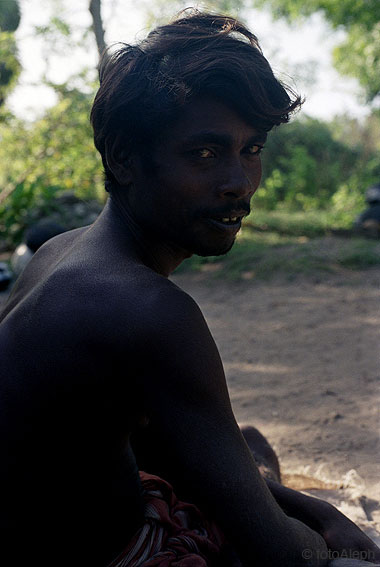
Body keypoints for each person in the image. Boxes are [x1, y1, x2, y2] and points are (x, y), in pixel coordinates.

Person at [1, 11, 379, 567]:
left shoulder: (61, 251)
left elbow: (152, 444)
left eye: (251, 149)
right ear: (125, 159)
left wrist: (318, 510)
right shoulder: (150, 312)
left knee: (246, 445)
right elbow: (279, 555)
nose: (237, 182)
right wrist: (328, 541)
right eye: (204, 154)